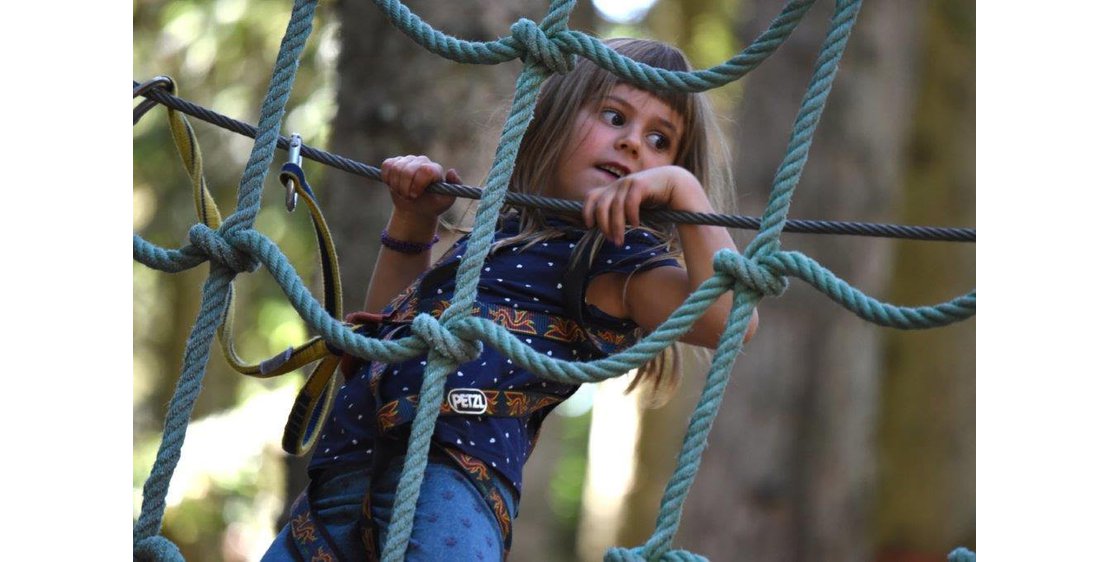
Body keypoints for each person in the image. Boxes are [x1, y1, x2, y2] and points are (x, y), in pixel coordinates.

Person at [261, 37, 758, 562]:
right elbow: (394, 331)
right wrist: (413, 221)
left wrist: (684, 190)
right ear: (554, 118)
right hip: (343, 472)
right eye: (614, 117)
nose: (635, 144)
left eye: (661, 141)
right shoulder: (498, 234)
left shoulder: (618, 262)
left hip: (452, 480)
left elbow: (731, 322)